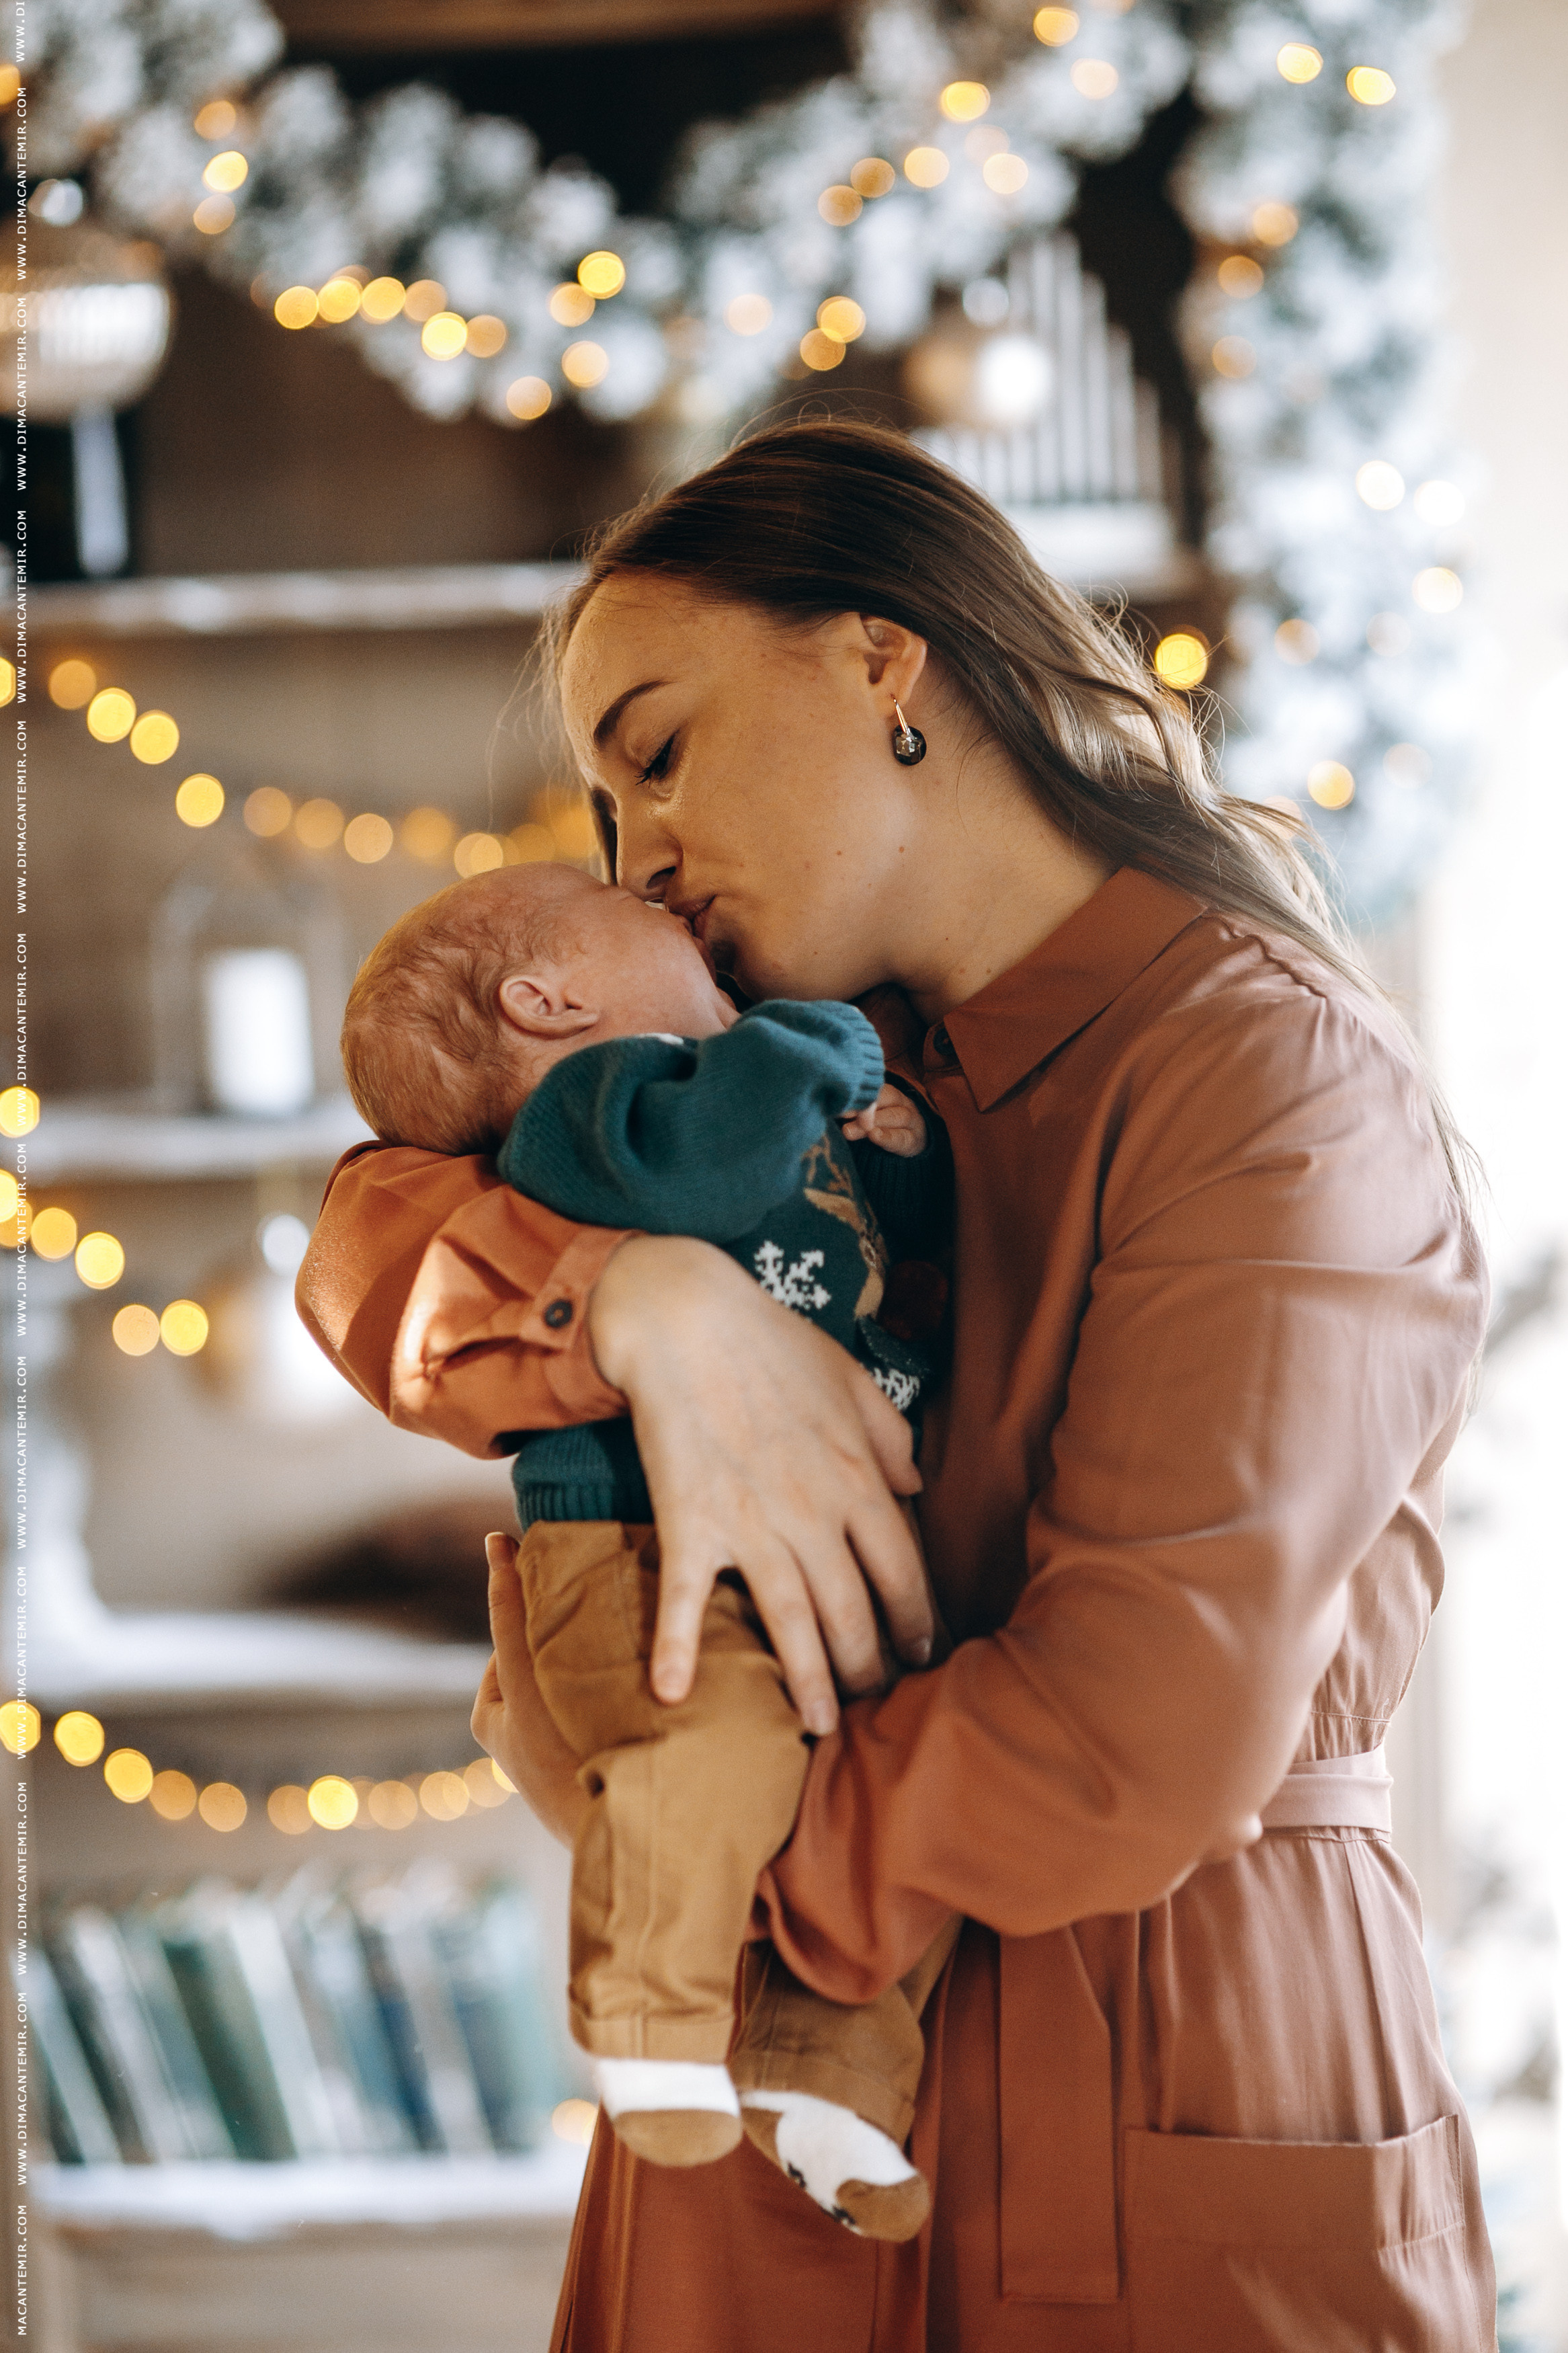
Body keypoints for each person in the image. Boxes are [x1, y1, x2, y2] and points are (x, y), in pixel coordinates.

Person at [298, 420, 1497, 2351]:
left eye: (659, 750)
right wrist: (635, 1301)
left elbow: (1133, 1732)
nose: (641, 858)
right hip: (754, 2174)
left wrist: (680, 1847)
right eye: (609, 813)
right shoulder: (774, 1047)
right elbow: (369, 1228)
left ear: (881, 660)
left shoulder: (1263, 1079)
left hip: (1156, 2057)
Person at [336, 862, 957, 2235]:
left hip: (795, 1556)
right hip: (635, 1548)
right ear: (549, 1001)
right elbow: (719, 1158)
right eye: (639, 921)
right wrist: (823, 1040)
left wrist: (899, 1147)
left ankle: (825, 2082)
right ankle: (645, 2019)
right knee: (710, 1753)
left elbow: (869, 1231)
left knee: (884, 1799)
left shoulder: (741, 1090)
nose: (668, 894)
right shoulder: (602, 1110)